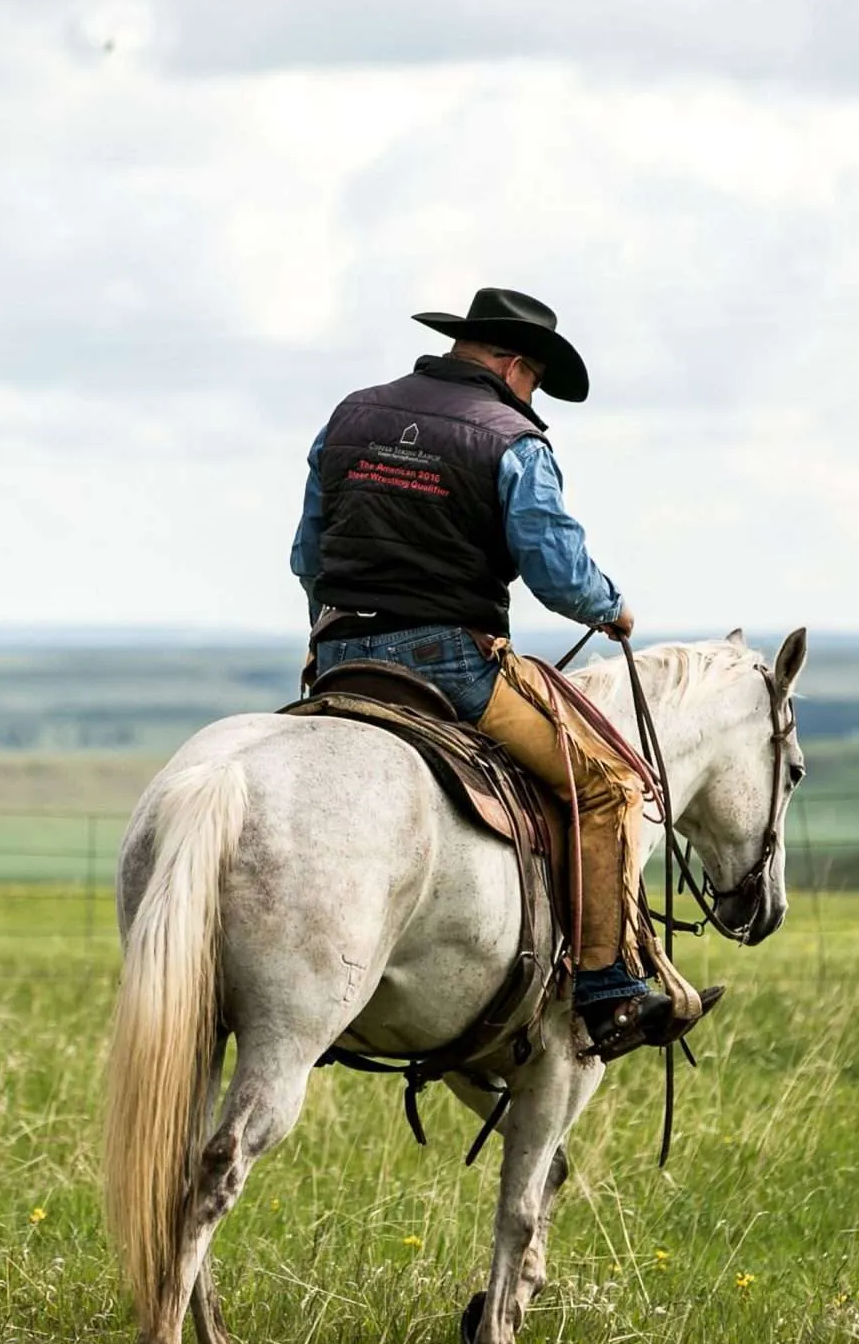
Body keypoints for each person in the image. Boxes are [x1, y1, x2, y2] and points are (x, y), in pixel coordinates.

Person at [289, 287, 719, 1060]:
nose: (534, 399)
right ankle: (607, 991)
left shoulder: (350, 415)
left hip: (340, 659)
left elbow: (306, 556)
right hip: (452, 664)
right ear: (517, 366)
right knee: (610, 786)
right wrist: (612, 606)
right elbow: (558, 575)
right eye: (536, 383)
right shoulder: (511, 439)